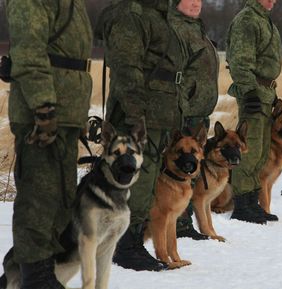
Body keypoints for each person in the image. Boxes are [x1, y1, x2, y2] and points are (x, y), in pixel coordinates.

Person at [1, 0, 93, 287]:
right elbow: (29, 53)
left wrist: (74, 116)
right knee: (39, 200)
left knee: (61, 200)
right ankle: (36, 276)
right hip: (41, 115)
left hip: (65, 112)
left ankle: (20, 275)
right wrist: (43, 107)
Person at [97, 0, 187, 271]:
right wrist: (137, 115)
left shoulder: (159, 15)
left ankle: (133, 239)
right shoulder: (132, 14)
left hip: (158, 114)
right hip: (139, 114)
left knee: (146, 178)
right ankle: (125, 245)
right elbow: (126, 67)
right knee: (134, 176)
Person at [226, 0, 282, 223]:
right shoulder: (248, 19)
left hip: (265, 92)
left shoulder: (265, 20)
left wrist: (271, 92)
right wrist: (249, 91)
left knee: (260, 151)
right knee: (248, 150)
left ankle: (252, 201)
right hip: (254, 92)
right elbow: (240, 61)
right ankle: (241, 205)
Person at [169, 0, 220, 240]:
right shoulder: (175, 29)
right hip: (185, 112)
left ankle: (185, 218)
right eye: (189, 0)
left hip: (200, 112)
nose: (195, 4)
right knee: (180, 167)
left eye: (198, 0)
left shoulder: (197, 29)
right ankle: (179, 223)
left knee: (192, 169)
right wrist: (181, 106)